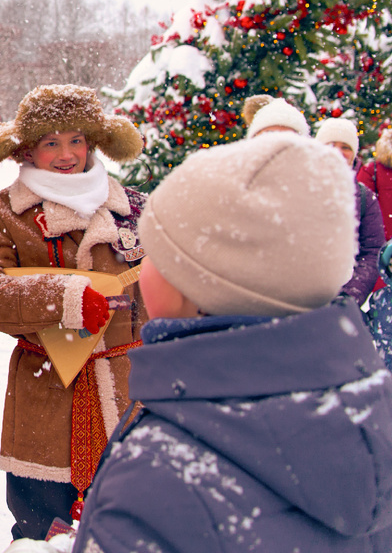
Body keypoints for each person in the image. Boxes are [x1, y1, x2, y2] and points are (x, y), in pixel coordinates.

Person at [73, 133, 392, 552]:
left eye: (157, 253)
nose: (144, 266)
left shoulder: (160, 480)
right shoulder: (369, 407)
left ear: (199, 284)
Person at [0, 84, 148, 540]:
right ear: (28, 149)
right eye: (51, 143)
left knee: (130, 530)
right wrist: (63, 300)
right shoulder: (3, 213)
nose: (66, 154)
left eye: (76, 140)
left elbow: (166, 299)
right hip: (45, 400)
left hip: (130, 399)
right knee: (41, 532)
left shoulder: (136, 207)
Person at [316, 117, 384, 304]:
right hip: (295, 298)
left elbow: (372, 251)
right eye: (331, 144)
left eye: (346, 147)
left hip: (341, 303)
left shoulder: (364, 197)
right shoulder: (296, 189)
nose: (338, 151)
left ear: (354, 154)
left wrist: (350, 295)